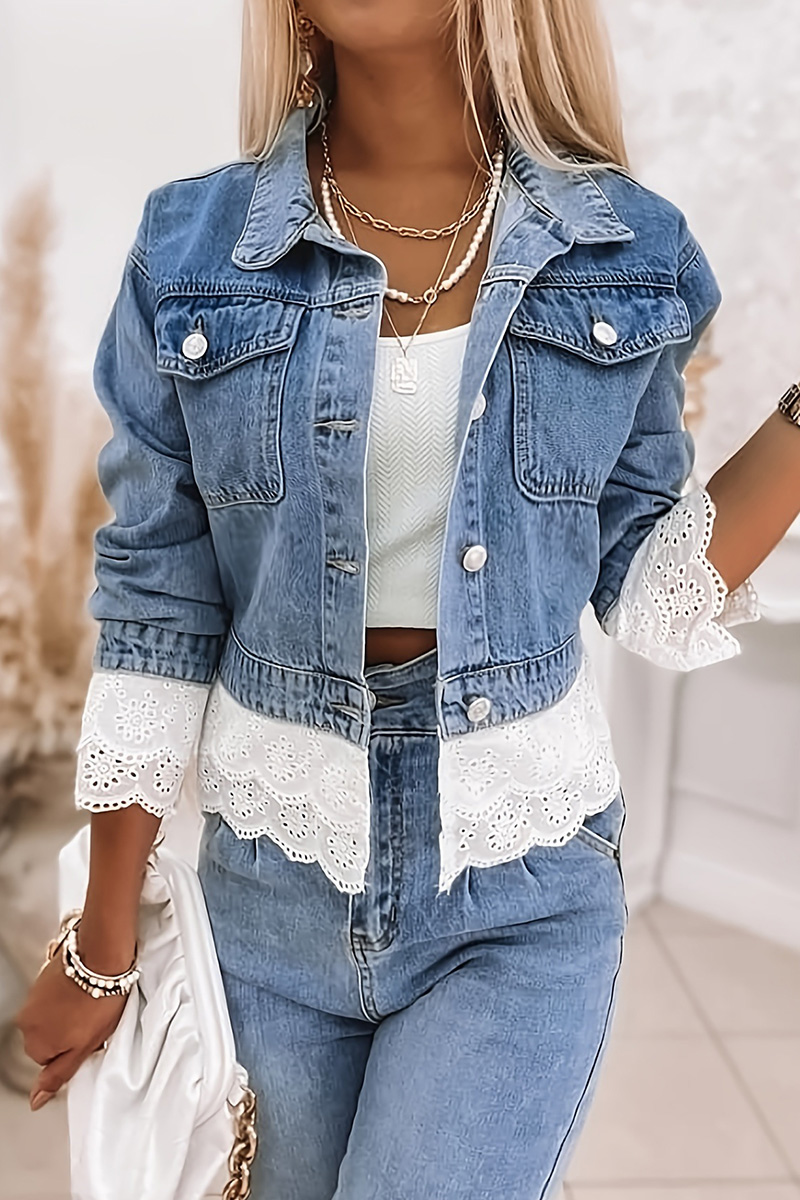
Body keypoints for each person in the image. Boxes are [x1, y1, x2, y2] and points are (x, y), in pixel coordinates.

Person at [15, 1, 800, 1197]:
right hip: (267, 894)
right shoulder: (189, 251)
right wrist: (102, 944)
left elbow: (644, 591)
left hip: (516, 891)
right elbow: (159, 607)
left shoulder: (628, 250)